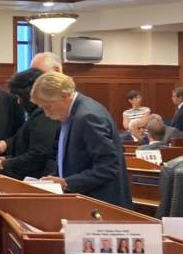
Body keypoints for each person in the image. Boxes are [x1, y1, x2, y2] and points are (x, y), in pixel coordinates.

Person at [33, 72, 132, 208]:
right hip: (84, 201)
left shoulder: (88, 116)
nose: (47, 113)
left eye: (48, 106)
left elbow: (109, 167)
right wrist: (55, 178)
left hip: (100, 205)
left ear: (65, 95)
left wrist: (67, 183)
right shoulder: (70, 114)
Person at [0, 67, 60, 179]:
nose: (18, 101)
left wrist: (3, 164)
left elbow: (37, 155)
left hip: (39, 178)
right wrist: (6, 150)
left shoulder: (44, 116)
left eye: (19, 97)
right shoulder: (38, 114)